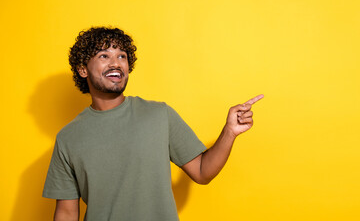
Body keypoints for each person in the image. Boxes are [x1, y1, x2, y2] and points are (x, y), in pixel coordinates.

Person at [42, 27, 264, 221]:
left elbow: (202, 172)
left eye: (122, 56)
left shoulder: (159, 115)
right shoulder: (68, 138)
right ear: (83, 69)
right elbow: (66, 213)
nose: (115, 63)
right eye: (104, 55)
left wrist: (229, 132)